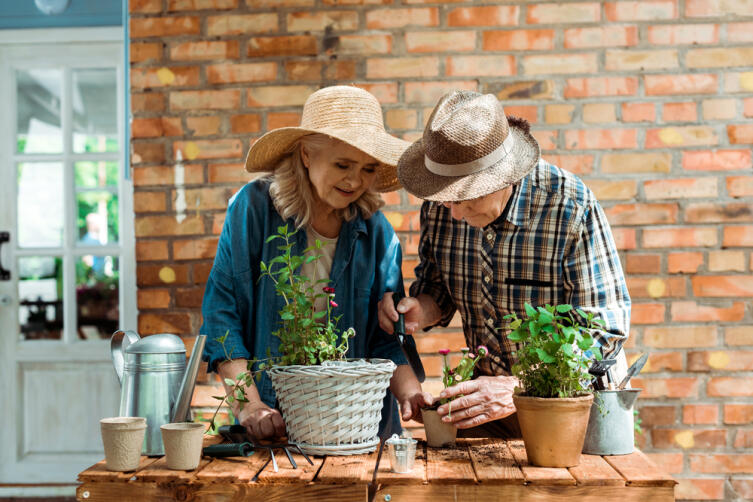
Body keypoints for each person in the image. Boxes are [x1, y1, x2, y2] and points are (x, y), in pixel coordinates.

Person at [378, 90, 631, 438]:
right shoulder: (442, 207)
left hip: (573, 408)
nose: (453, 212)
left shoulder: (570, 207)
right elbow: (438, 290)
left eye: (467, 196)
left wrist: (518, 386)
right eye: (446, 197)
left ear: (506, 176)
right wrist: (418, 310)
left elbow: (605, 327)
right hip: (488, 407)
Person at [201, 85, 431, 440]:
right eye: (342, 164)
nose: (355, 181)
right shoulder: (254, 211)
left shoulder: (378, 234)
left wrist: (412, 395)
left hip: (358, 425)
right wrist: (249, 405)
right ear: (307, 155)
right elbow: (222, 315)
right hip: (272, 423)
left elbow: (384, 338)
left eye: (369, 169)